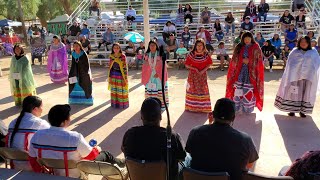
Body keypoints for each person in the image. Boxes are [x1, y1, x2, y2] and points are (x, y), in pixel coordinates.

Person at [29, 104, 125, 178]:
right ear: (64, 121)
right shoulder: (74, 137)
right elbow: (90, 156)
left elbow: (32, 159)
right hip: (74, 175)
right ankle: (122, 163)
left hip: (52, 174)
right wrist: (96, 149)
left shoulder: (37, 135)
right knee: (105, 154)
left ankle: (121, 162)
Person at [186, 98, 259, 180]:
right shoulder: (245, 139)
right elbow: (249, 165)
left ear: (212, 114)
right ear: (233, 118)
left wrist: (209, 124)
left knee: (187, 158)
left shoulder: (196, 132)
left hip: (198, 177)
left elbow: (191, 152)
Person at [122, 97, 186, 180]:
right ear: (160, 117)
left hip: (139, 177)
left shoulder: (130, 134)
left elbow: (125, 151)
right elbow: (182, 156)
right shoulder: (171, 137)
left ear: (141, 117)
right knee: (187, 160)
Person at [275, 36, 320, 118]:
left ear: (308, 43)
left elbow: (316, 64)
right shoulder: (294, 51)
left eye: (305, 42)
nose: (303, 43)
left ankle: (303, 111)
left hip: (308, 78)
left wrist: (310, 72)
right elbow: (290, 64)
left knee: (305, 94)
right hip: (295, 77)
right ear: (299, 42)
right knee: (293, 93)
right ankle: (292, 110)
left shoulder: (313, 52)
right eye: (301, 42)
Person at [7, 96, 50, 170]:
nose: (42, 109)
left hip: (14, 165)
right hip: (32, 166)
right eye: (41, 107)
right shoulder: (40, 123)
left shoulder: (12, 122)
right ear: (35, 109)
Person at [226, 31, 264, 113]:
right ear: (242, 39)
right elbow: (234, 59)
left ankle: (247, 108)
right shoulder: (239, 47)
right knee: (238, 88)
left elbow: (259, 60)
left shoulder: (256, 47)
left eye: (248, 38)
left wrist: (250, 61)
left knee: (248, 90)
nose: (247, 40)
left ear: (251, 39)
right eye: (245, 38)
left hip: (251, 73)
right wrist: (242, 60)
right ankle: (237, 107)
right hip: (239, 72)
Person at [185, 39, 212, 113]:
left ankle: (202, 107)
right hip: (193, 75)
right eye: (198, 45)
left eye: (201, 45)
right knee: (192, 89)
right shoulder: (191, 54)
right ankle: (192, 107)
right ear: (195, 46)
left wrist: (203, 70)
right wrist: (195, 69)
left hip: (202, 75)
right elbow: (187, 65)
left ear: (203, 46)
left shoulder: (206, 54)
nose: (199, 47)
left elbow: (209, 63)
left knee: (202, 90)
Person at [141, 41, 169, 110]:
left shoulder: (160, 54)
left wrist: (159, 73)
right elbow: (144, 66)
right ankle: (150, 105)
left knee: (159, 89)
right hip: (149, 75)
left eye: (153, 45)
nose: (152, 47)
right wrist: (148, 72)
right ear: (149, 47)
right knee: (150, 89)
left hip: (158, 76)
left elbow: (164, 65)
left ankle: (160, 105)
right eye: (151, 45)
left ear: (156, 46)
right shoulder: (146, 55)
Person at [68, 41, 93, 105]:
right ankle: (75, 100)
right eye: (74, 46)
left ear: (80, 46)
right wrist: (72, 72)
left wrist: (84, 72)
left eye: (77, 46)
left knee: (85, 80)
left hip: (83, 71)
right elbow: (73, 64)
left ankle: (86, 100)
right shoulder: (73, 54)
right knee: (72, 81)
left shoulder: (83, 53)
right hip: (75, 71)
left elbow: (86, 65)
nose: (76, 47)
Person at [108, 43, 129, 109]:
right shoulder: (111, 56)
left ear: (120, 49)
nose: (116, 49)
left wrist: (125, 77)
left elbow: (125, 67)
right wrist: (110, 76)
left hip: (121, 75)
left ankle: (122, 104)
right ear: (113, 49)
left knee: (121, 90)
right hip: (113, 75)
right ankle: (115, 104)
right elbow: (110, 67)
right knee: (114, 90)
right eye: (115, 48)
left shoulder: (122, 56)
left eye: (117, 48)